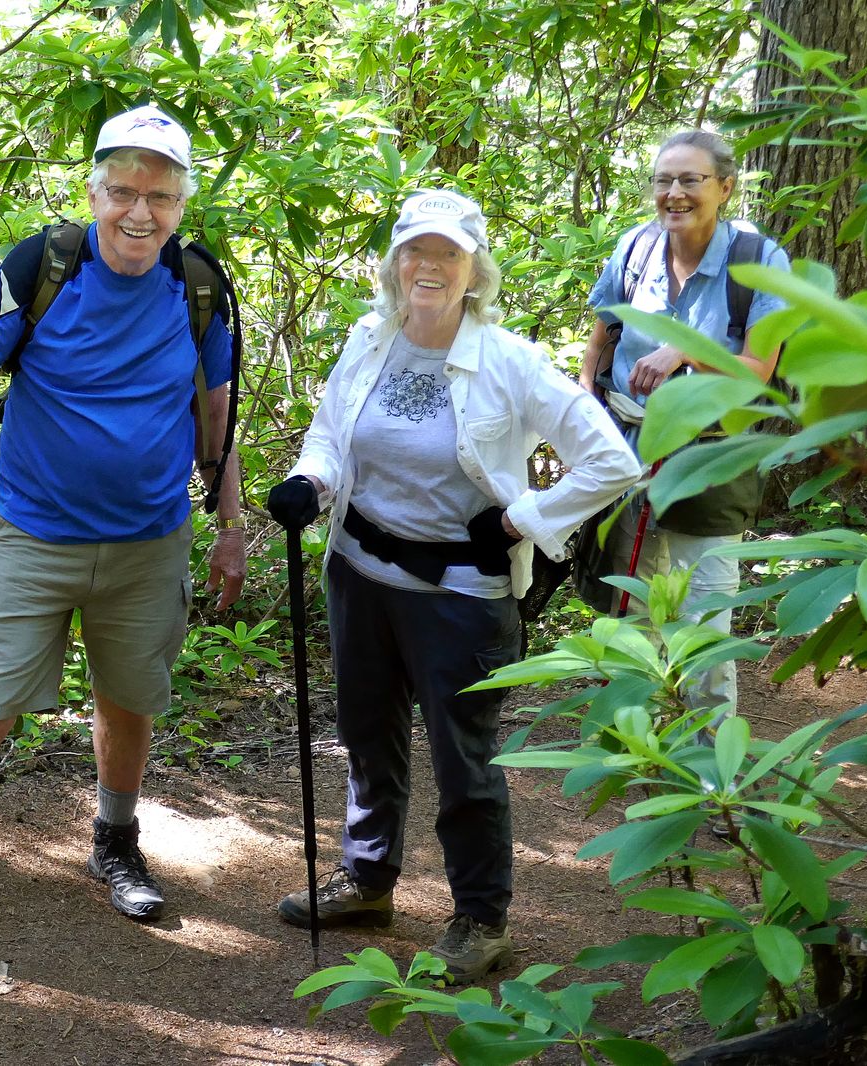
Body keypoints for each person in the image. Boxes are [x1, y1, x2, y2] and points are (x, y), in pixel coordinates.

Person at [0, 104, 246, 986]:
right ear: (96, 190)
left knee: (129, 699)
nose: (140, 213)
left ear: (183, 204)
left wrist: (231, 521)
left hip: (151, 540)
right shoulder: (44, 265)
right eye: (125, 192)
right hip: (37, 534)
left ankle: (115, 842)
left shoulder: (201, 284)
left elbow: (215, 409)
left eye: (161, 197)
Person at [265, 191, 639, 984]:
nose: (428, 267)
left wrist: (519, 521)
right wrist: (311, 480)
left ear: (474, 271)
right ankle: (367, 881)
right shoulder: (370, 341)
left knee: (463, 760)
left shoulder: (510, 362)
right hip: (360, 573)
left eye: (448, 255)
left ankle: (479, 918)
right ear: (394, 263)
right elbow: (331, 433)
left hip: (460, 594)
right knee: (368, 736)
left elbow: (612, 460)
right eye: (415, 252)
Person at [579, 129, 791, 719]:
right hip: (628, 450)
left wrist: (684, 350)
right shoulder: (635, 249)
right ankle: (632, 743)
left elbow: (755, 370)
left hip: (711, 458)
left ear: (724, 187)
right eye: (664, 181)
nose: (675, 193)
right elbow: (601, 339)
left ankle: (707, 768)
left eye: (691, 180)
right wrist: (584, 415)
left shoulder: (759, 261)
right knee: (625, 612)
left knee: (705, 624)